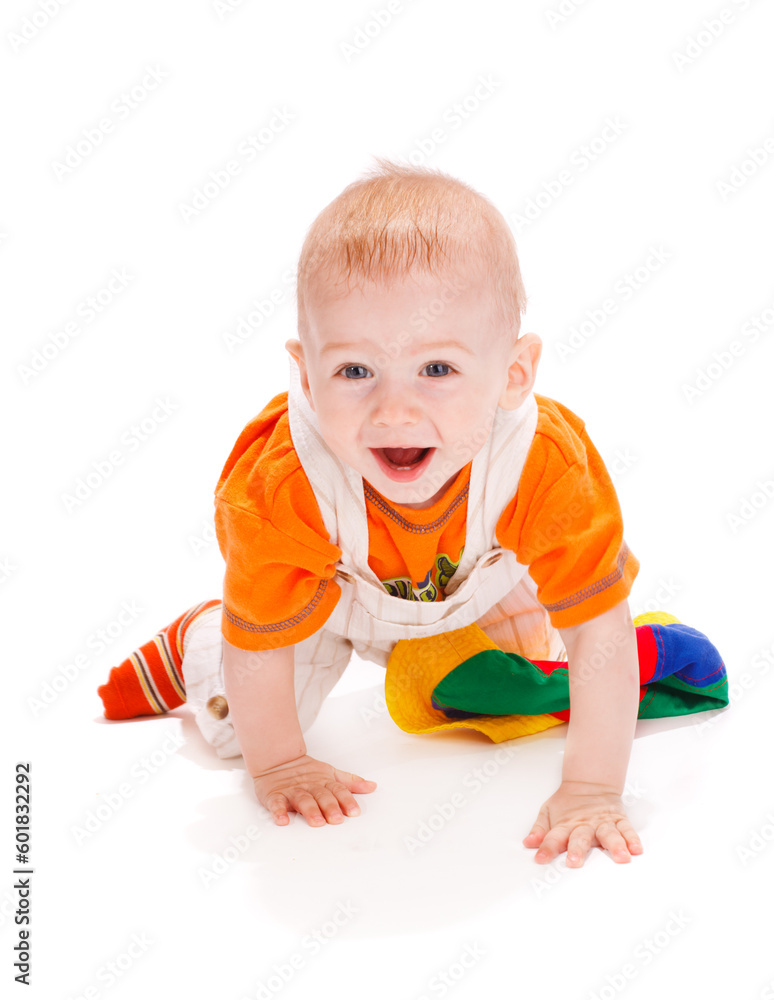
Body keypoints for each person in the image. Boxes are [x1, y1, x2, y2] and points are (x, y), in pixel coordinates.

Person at [102, 159, 650, 868]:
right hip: (327, 600)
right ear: (305, 375)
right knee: (252, 727)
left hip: (471, 586)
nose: (395, 411)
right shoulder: (287, 483)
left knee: (509, 686)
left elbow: (602, 634)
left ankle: (436, 648)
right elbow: (263, 652)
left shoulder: (544, 465)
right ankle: (201, 640)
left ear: (514, 374)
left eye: (438, 370)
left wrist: (593, 786)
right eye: (355, 372)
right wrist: (281, 768)